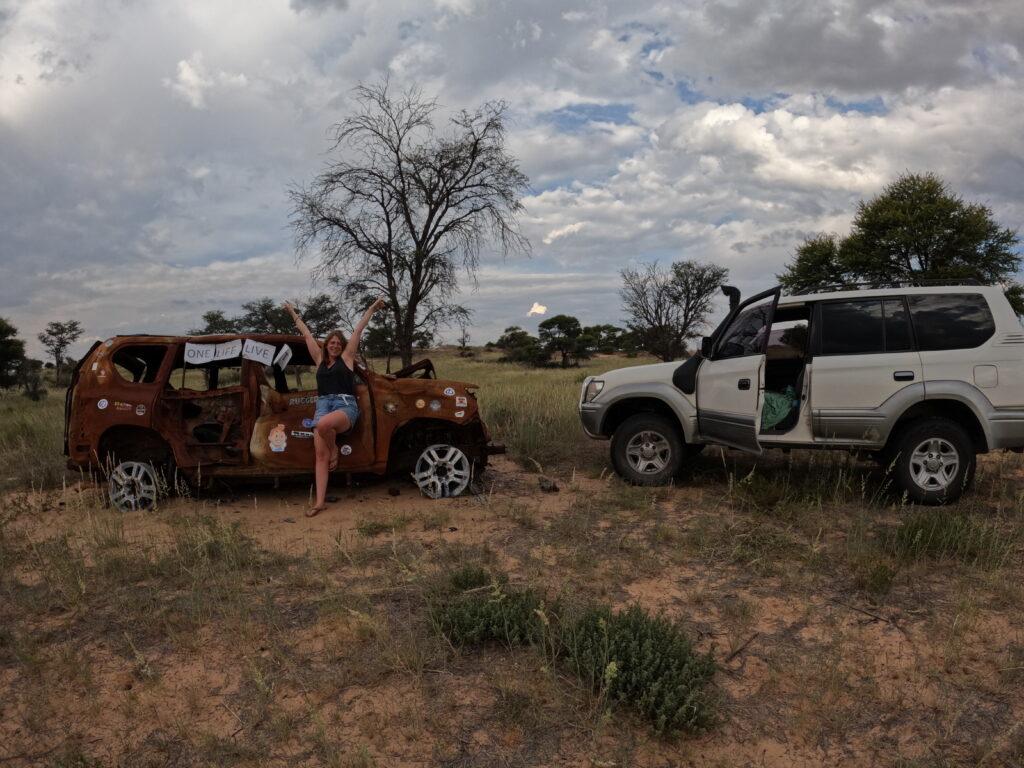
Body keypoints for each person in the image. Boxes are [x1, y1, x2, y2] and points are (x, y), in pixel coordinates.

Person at [284, 297, 387, 517]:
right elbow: (306, 334)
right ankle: (319, 502)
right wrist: (293, 313)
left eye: (338, 343)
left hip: (344, 405)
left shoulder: (348, 358)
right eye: (332, 342)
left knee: (321, 426)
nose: (335, 345)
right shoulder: (319, 358)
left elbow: (359, 329)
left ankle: (334, 449)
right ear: (326, 344)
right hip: (322, 405)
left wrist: (371, 308)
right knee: (320, 456)